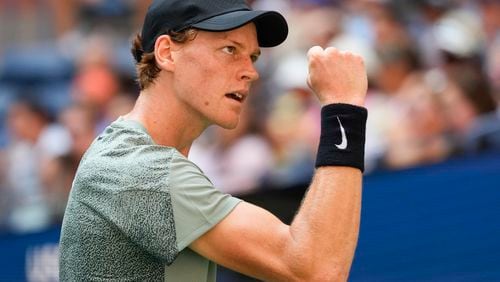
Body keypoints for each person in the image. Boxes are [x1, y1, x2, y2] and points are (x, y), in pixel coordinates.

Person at [59, 0, 368, 281]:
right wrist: (343, 108)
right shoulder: (137, 171)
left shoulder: (133, 159)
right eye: (230, 49)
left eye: (253, 57)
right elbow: (316, 268)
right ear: (167, 53)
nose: (251, 72)